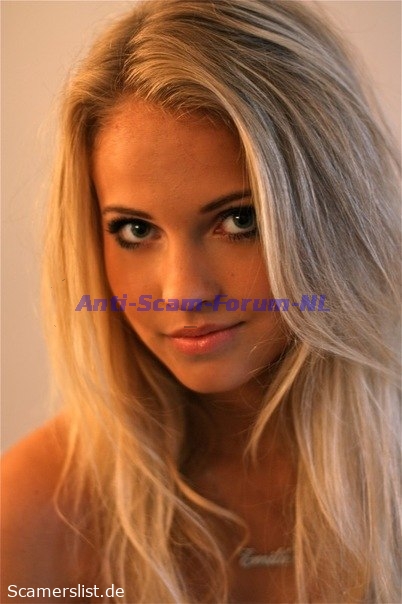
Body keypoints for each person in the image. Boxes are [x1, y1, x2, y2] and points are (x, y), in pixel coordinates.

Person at [1, 1, 400, 602]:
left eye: (239, 220)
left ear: (333, 212)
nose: (182, 292)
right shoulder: (34, 514)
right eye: (136, 230)